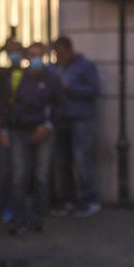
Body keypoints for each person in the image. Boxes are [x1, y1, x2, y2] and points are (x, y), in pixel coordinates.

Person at [0, 42, 61, 235]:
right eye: (31, 55)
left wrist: (48, 126)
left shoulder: (51, 78)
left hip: (43, 131)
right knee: (19, 176)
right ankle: (19, 217)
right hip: (18, 131)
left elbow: (59, 105)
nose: (34, 59)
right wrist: (4, 130)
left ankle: (37, 217)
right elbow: (7, 105)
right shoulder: (17, 78)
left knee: (41, 176)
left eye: (38, 55)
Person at [49, 36, 101, 217]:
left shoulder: (85, 66)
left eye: (62, 53)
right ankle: (67, 200)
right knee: (62, 161)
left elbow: (93, 90)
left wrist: (69, 88)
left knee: (81, 159)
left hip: (80, 119)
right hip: (60, 119)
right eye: (56, 54)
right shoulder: (53, 68)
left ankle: (88, 200)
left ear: (70, 50)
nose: (59, 57)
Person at [0, 37, 25, 224]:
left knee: (19, 171)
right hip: (4, 125)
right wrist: (0, 49)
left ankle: (18, 208)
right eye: (11, 51)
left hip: (22, 127)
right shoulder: (2, 73)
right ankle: (4, 207)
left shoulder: (27, 73)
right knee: (5, 169)